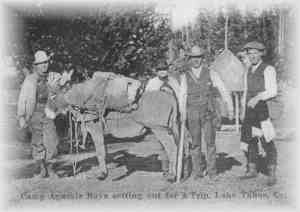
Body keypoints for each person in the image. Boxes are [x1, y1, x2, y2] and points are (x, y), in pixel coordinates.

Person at [182, 45, 234, 181]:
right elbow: (182, 96)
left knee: (210, 142)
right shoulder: (184, 75)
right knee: (195, 143)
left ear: (202, 58)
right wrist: (182, 113)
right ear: (189, 59)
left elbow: (223, 89)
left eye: (198, 57)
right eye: (193, 57)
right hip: (192, 112)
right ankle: (197, 172)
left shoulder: (211, 73)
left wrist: (230, 107)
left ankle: (212, 172)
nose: (196, 60)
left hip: (208, 111)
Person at [239, 41, 278, 186]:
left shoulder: (268, 69)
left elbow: (272, 90)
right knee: (250, 140)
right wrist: (243, 110)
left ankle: (271, 172)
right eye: (250, 54)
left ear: (261, 53)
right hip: (250, 110)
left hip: (263, 109)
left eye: (256, 53)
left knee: (267, 140)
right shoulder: (248, 70)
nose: (253, 56)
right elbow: (245, 92)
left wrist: (258, 97)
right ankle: (252, 169)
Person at [17, 50, 59, 178]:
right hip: (34, 113)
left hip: (48, 112)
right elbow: (22, 98)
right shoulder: (30, 79)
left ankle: (51, 169)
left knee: (52, 141)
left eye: (46, 62)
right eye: (41, 63)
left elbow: (60, 93)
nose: (44, 65)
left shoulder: (53, 77)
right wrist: (21, 116)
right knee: (37, 143)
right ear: (36, 65)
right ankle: (42, 170)